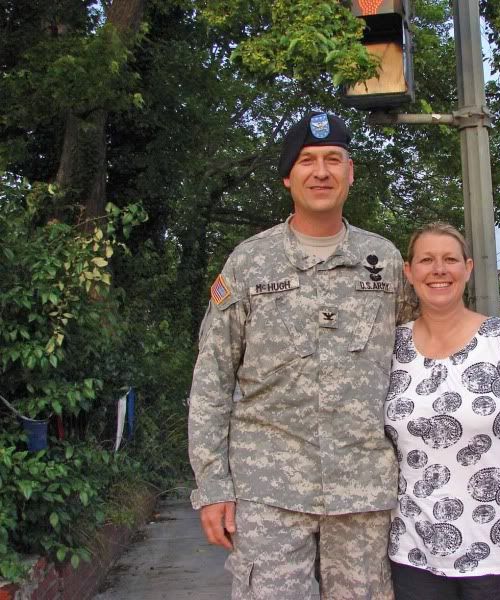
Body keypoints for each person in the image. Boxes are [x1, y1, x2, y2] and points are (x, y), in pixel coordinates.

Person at [188, 111, 403, 600]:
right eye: (307, 161)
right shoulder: (249, 262)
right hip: (268, 491)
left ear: (352, 172)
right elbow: (212, 378)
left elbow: (422, 356)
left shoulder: (385, 260)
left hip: (363, 492)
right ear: (288, 176)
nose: (321, 172)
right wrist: (213, 485)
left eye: (333, 159)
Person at [385, 223, 500, 600]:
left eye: (450, 259)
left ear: (468, 269)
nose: (439, 269)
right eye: (427, 260)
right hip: (413, 553)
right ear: (409, 271)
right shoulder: (390, 347)